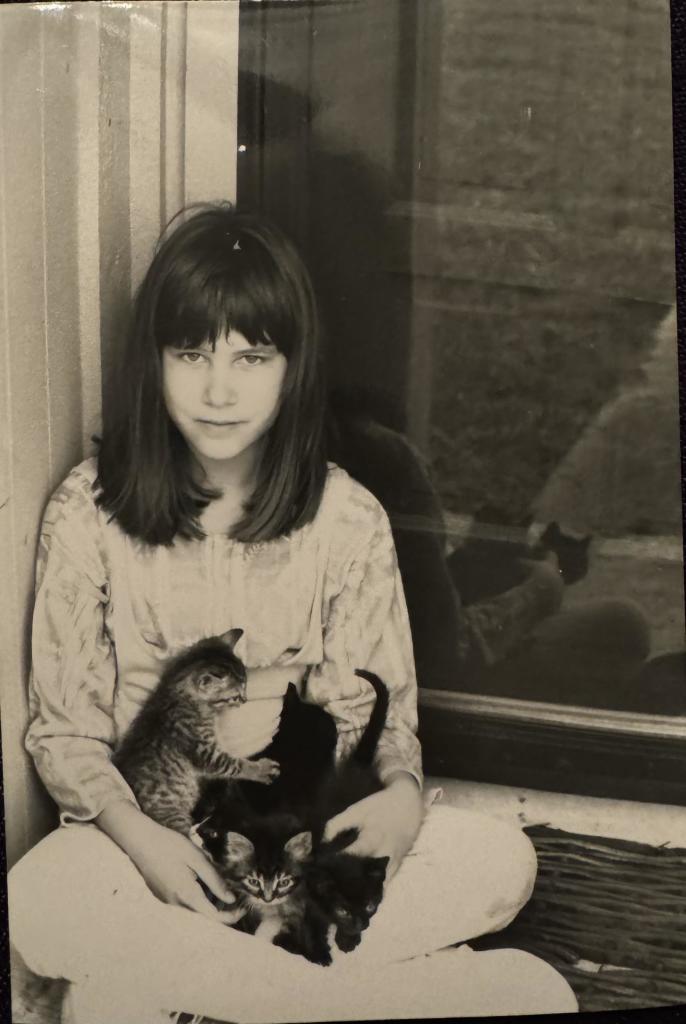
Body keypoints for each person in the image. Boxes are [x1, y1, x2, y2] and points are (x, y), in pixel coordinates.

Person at [8, 204, 577, 1024]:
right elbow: (65, 735)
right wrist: (147, 843)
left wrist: (402, 796)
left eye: (252, 356)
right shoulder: (88, 512)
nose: (216, 389)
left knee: (499, 861)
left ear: (292, 366)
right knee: (39, 895)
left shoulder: (347, 518)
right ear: (154, 361)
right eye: (191, 353)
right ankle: (331, 1000)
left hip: (300, 851)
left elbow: (381, 719)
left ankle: (208, 993)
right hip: (144, 855)